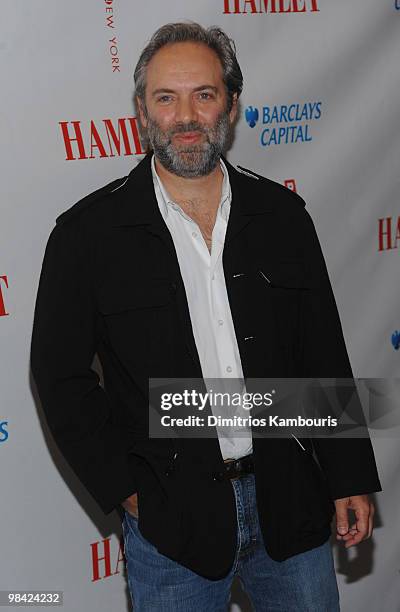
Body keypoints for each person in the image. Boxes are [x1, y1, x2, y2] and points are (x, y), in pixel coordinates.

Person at [30, 21, 382, 611]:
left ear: (233, 104)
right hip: (170, 521)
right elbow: (61, 378)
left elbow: (321, 348)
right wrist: (128, 490)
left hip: (290, 503)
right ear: (142, 110)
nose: (186, 116)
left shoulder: (283, 216)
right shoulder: (85, 235)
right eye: (166, 98)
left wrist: (348, 475)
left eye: (204, 94)